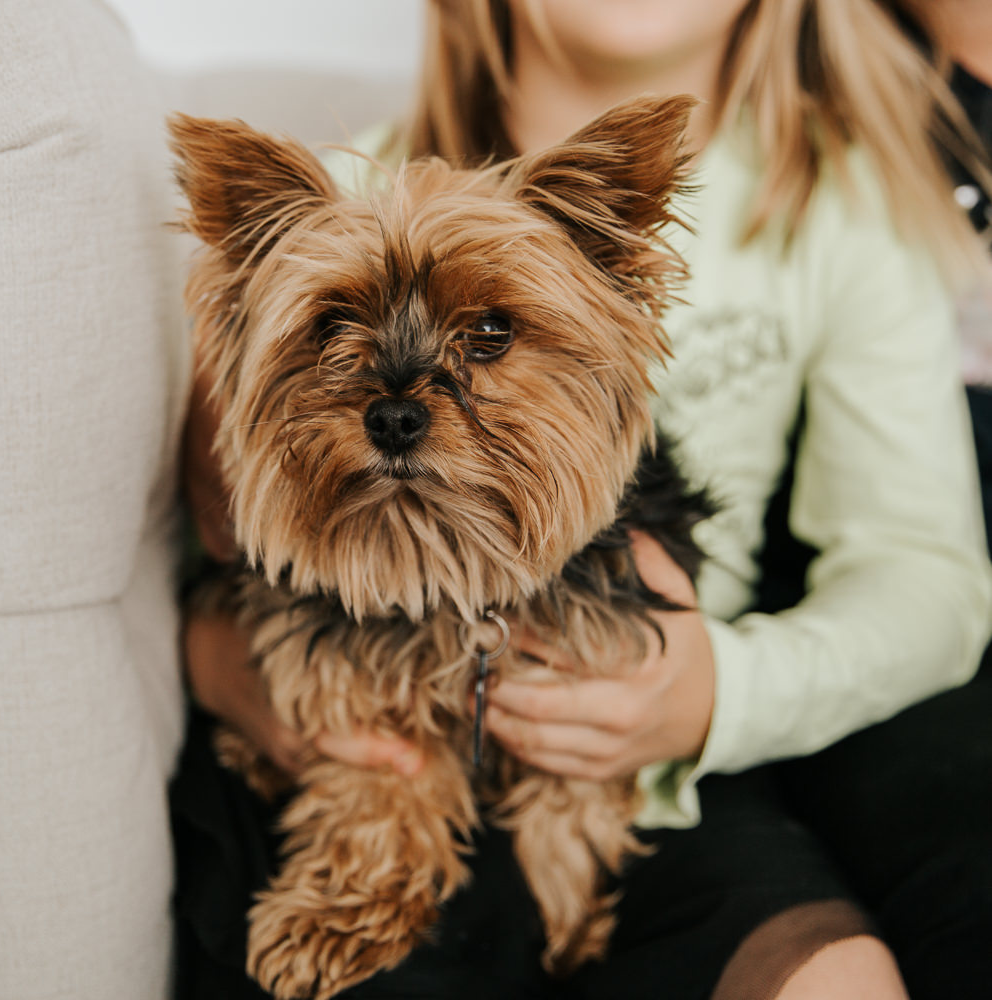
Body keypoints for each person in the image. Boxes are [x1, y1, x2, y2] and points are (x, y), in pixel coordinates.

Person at [172, 1, 992, 998]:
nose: (399, 405)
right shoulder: (341, 185)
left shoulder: (836, 199)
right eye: (340, 324)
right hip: (348, 720)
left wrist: (713, 696)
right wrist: (217, 664)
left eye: (486, 338)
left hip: (654, 736)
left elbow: (921, 571)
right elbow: (212, 533)